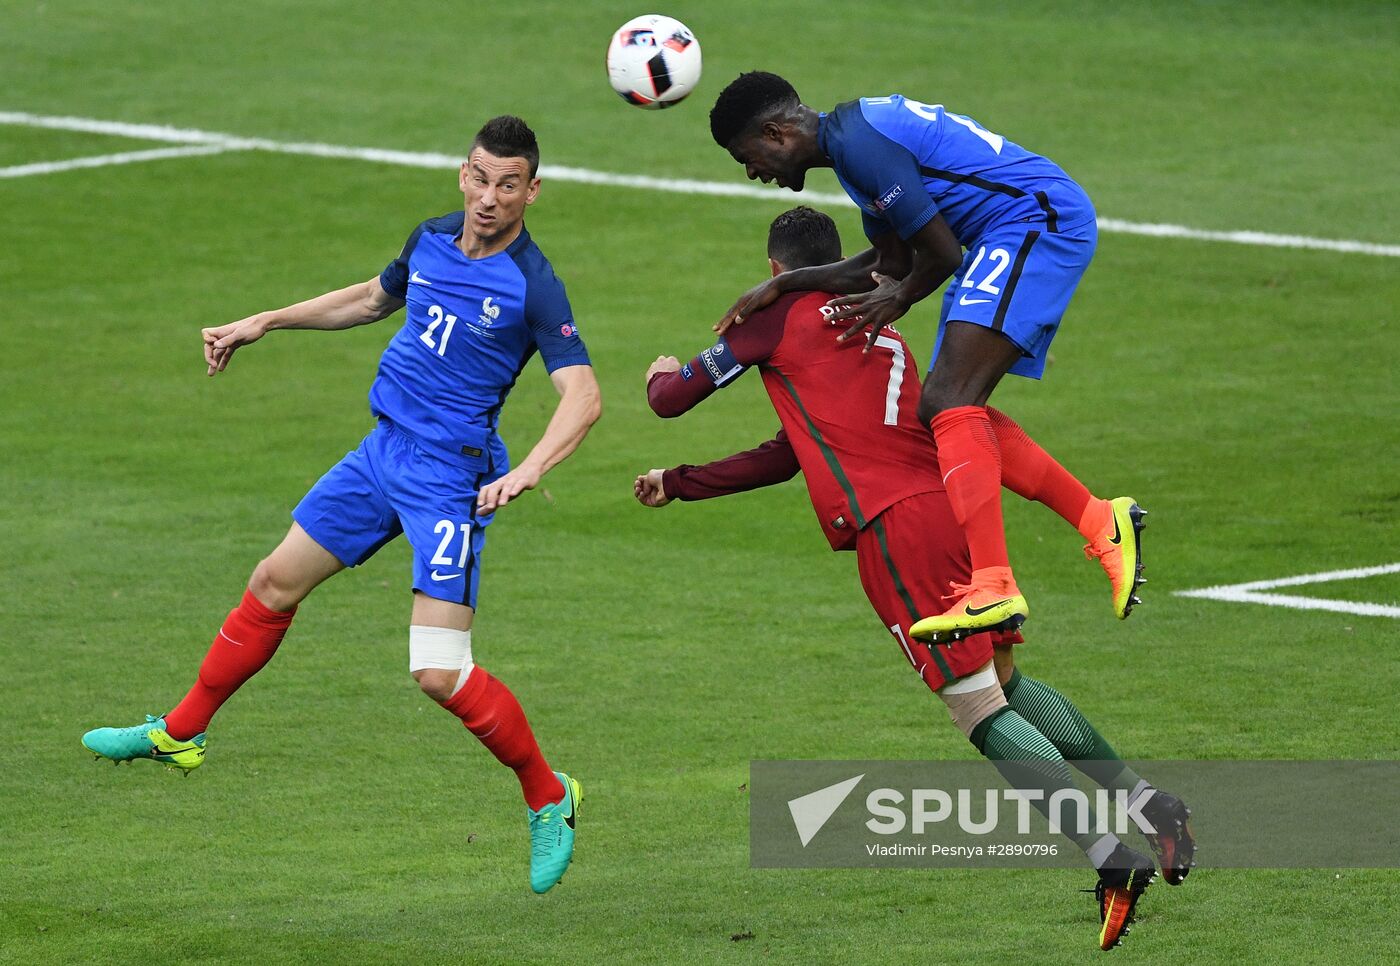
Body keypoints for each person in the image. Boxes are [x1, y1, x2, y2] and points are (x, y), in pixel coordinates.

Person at [635, 206, 1192, 951]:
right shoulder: (875, 313)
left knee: (975, 708)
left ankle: (1110, 857)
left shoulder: (774, 318)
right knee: (1002, 677)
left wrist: (662, 374)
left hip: (896, 528)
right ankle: (1151, 806)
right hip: (952, 499)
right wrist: (681, 482)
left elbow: (673, 400)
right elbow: (793, 450)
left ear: (776, 273)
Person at [81, 115, 599, 895]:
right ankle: (179, 735)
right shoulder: (429, 237)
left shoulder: (534, 284)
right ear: (463, 173)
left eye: (509, 184)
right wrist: (267, 321)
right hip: (383, 453)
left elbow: (584, 395)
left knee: (438, 673)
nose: (490, 197)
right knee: (272, 583)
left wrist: (528, 466)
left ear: (533, 189)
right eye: (480, 178)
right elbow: (368, 298)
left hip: (448, 480)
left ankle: (549, 795)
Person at [707, 72, 1147, 644]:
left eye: (749, 156)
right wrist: (788, 285)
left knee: (946, 401)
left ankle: (994, 583)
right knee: (941, 408)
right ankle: (1098, 520)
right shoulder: (849, 148)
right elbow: (888, 263)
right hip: (1009, 229)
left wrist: (901, 296)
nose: (752, 172)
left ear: (776, 132)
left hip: (1032, 222)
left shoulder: (860, 146)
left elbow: (940, 254)